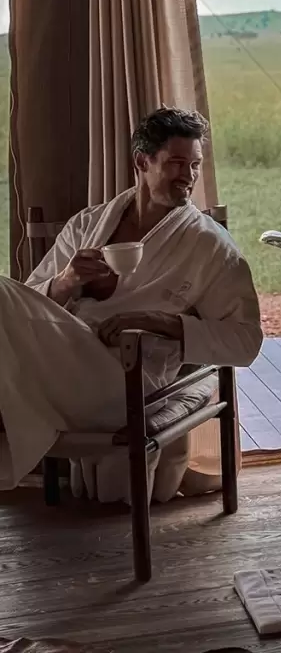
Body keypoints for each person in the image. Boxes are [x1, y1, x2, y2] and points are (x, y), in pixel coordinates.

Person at [0, 107, 263, 502]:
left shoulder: (209, 246)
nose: (188, 177)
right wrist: (68, 281)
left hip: (130, 382)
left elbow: (246, 341)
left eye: (194, 165)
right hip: (60, 370)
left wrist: (157, 320)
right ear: (143, 161)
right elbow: (24, 309)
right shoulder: (87, 226)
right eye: (176, 163)